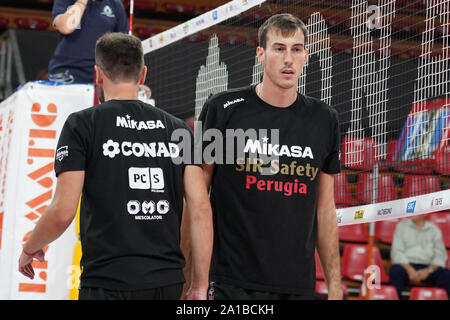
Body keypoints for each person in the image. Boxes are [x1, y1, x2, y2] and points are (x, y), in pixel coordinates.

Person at [18, 33, 213, 300]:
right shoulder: (178, 129)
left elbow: (63, 211)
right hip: (165, 282)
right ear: (143, 74)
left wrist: (31, 247)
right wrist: (200, 285)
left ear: (98, 74)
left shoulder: (82, 124)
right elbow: (201, 208)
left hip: (108, 281)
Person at [197, 13, 343, 300]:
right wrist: (192, 278)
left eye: (296, 49)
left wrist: (335, 285)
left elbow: (325, 209)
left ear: (306, 56)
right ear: (261, 55)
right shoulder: (222, 108)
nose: (288, 58)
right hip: (230, 282)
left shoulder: (325, 119)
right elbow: (196, 198)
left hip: (296, 285)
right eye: (279, 48)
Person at [48, 0, 128, 83]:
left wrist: (130, 81)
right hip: (66, 72)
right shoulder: (67, 1)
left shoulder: (114, 4)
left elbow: (124, 46)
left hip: (100, 74)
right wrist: (82, 2)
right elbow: (66, 27)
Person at [389, 214, 450, 298]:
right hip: (406, 266)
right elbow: (397, 252)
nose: (413, 212)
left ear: (425, 213)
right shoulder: (401, 226)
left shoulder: (434, 230)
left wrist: (428, 270)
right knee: (395, 271)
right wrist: (410, 270)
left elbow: (440, 255)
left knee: (446, 275)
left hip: (428, 267)